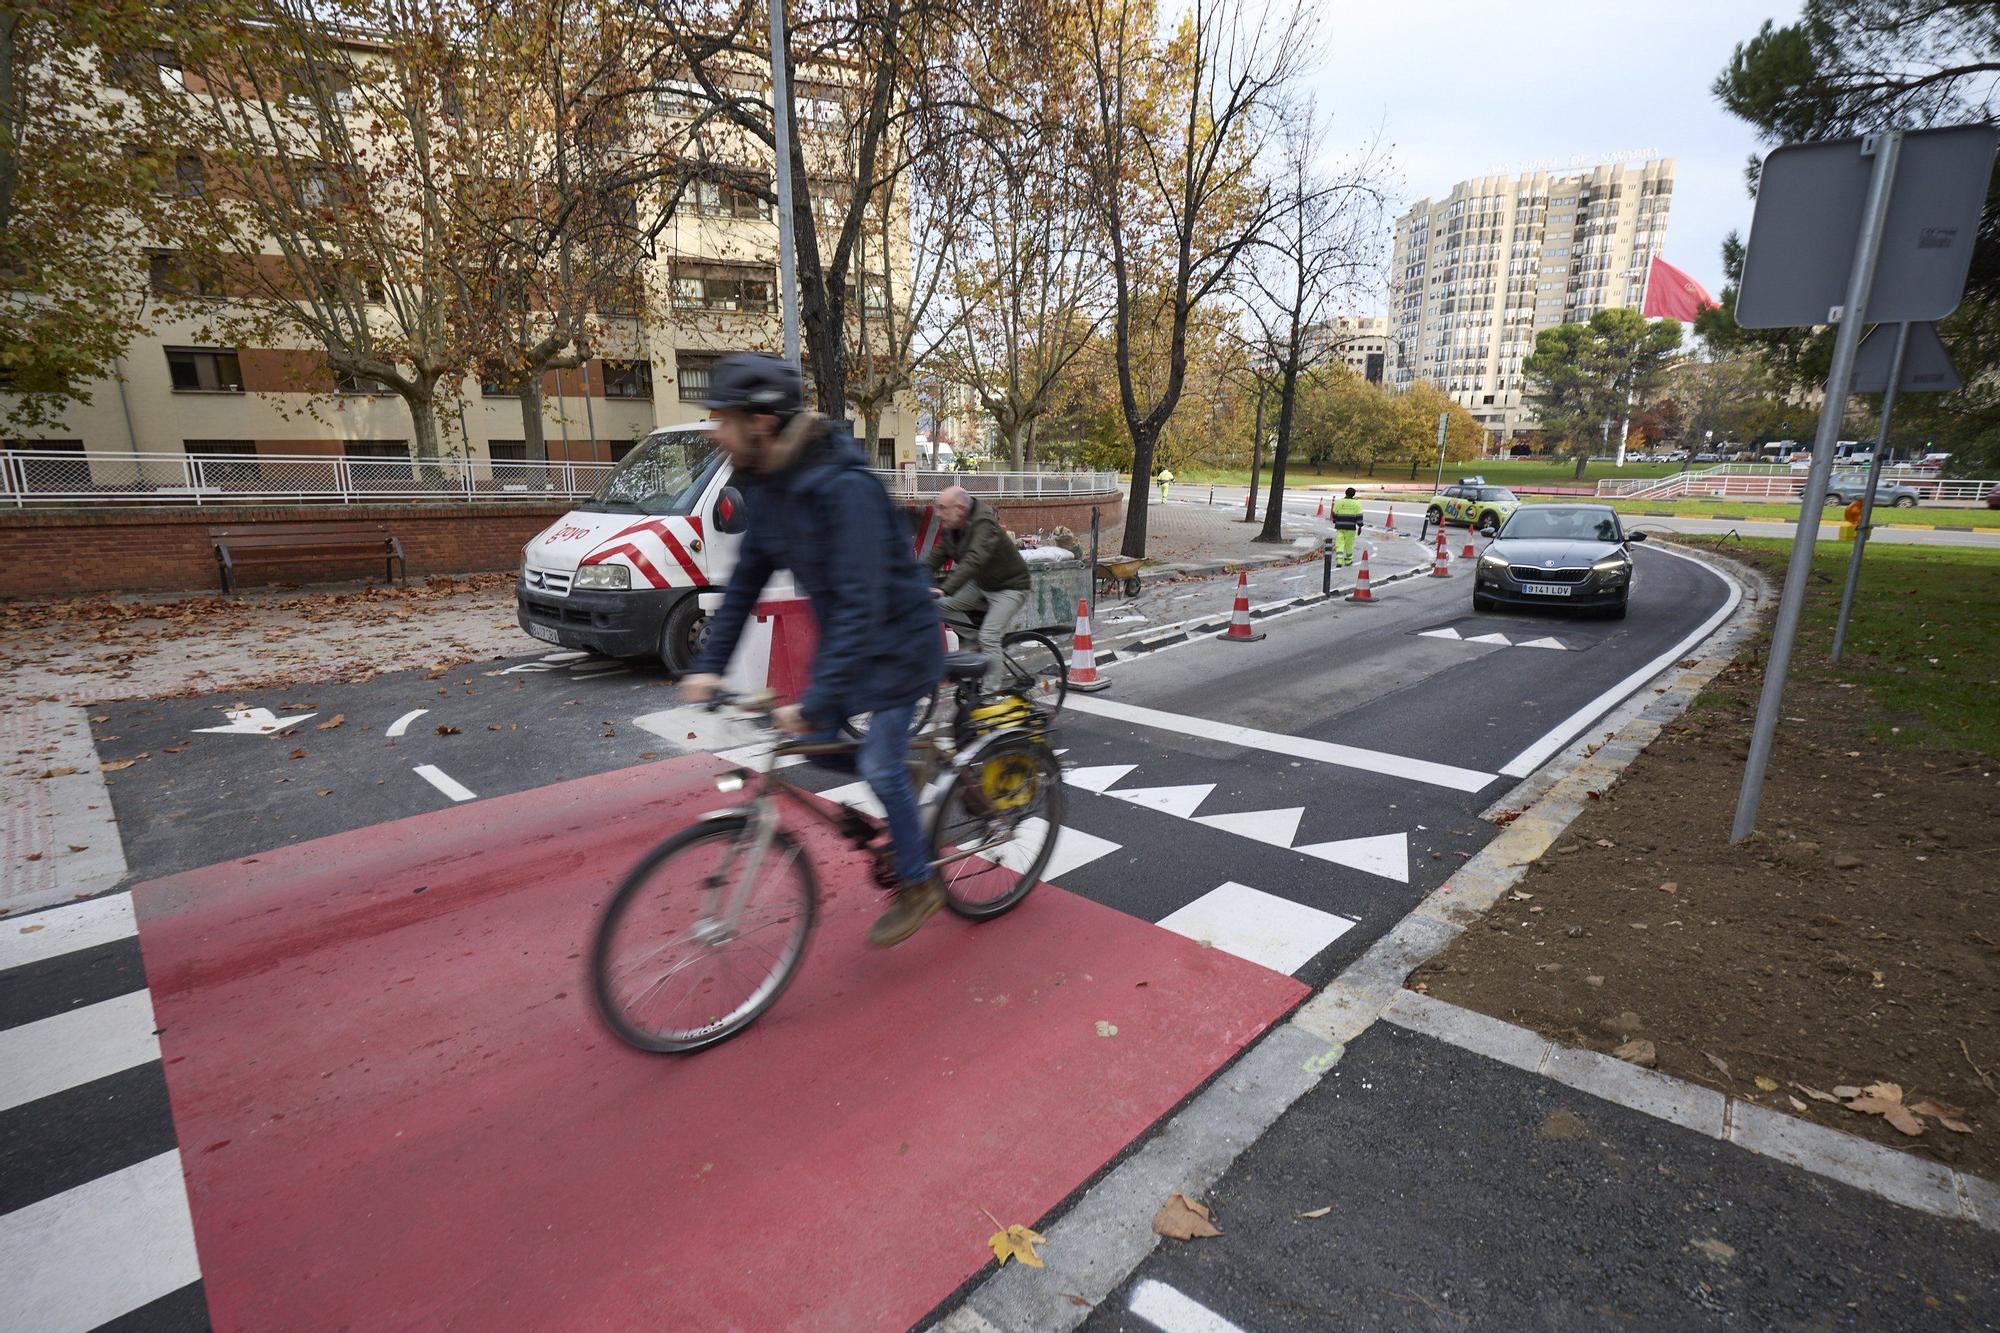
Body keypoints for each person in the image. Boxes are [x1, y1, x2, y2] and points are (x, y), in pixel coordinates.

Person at [679, 354, 947, 949]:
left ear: (763, 423)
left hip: (899, 644)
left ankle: (919, 882)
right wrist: (706, 667)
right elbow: (745, 580)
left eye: (722, 419)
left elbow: (859, 603)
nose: (713, 433)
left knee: (875, 764)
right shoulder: (774, 492)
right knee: (811, 743)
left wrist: (816, 696)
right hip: (852, 649)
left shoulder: (843, 490)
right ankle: (906, 770)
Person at [925, 485, 1030, 692]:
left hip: (1010, 586)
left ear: (960, 509)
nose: (938, 514)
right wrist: (911, 580)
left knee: (990, 636)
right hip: (982, 582)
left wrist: (944, 589)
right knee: (938, 607)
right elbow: (936, 557)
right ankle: (979, 645)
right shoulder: (952, 527)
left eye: (942, 508)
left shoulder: (984, 522)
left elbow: (974, 559)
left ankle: (990, 696)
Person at [1332, 487, 1365, 567]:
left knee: (1339, 543)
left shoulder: (1339, 502)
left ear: (1345, 493)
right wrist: (1360, 526)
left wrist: (1335, 520)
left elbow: (1334, 513)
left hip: (1340, 526)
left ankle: (1339, 560)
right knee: (1349, 544)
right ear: (1354, 494)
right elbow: (1359, 516)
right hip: (1351, 527)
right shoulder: (1357, 503)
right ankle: (1348, 561)